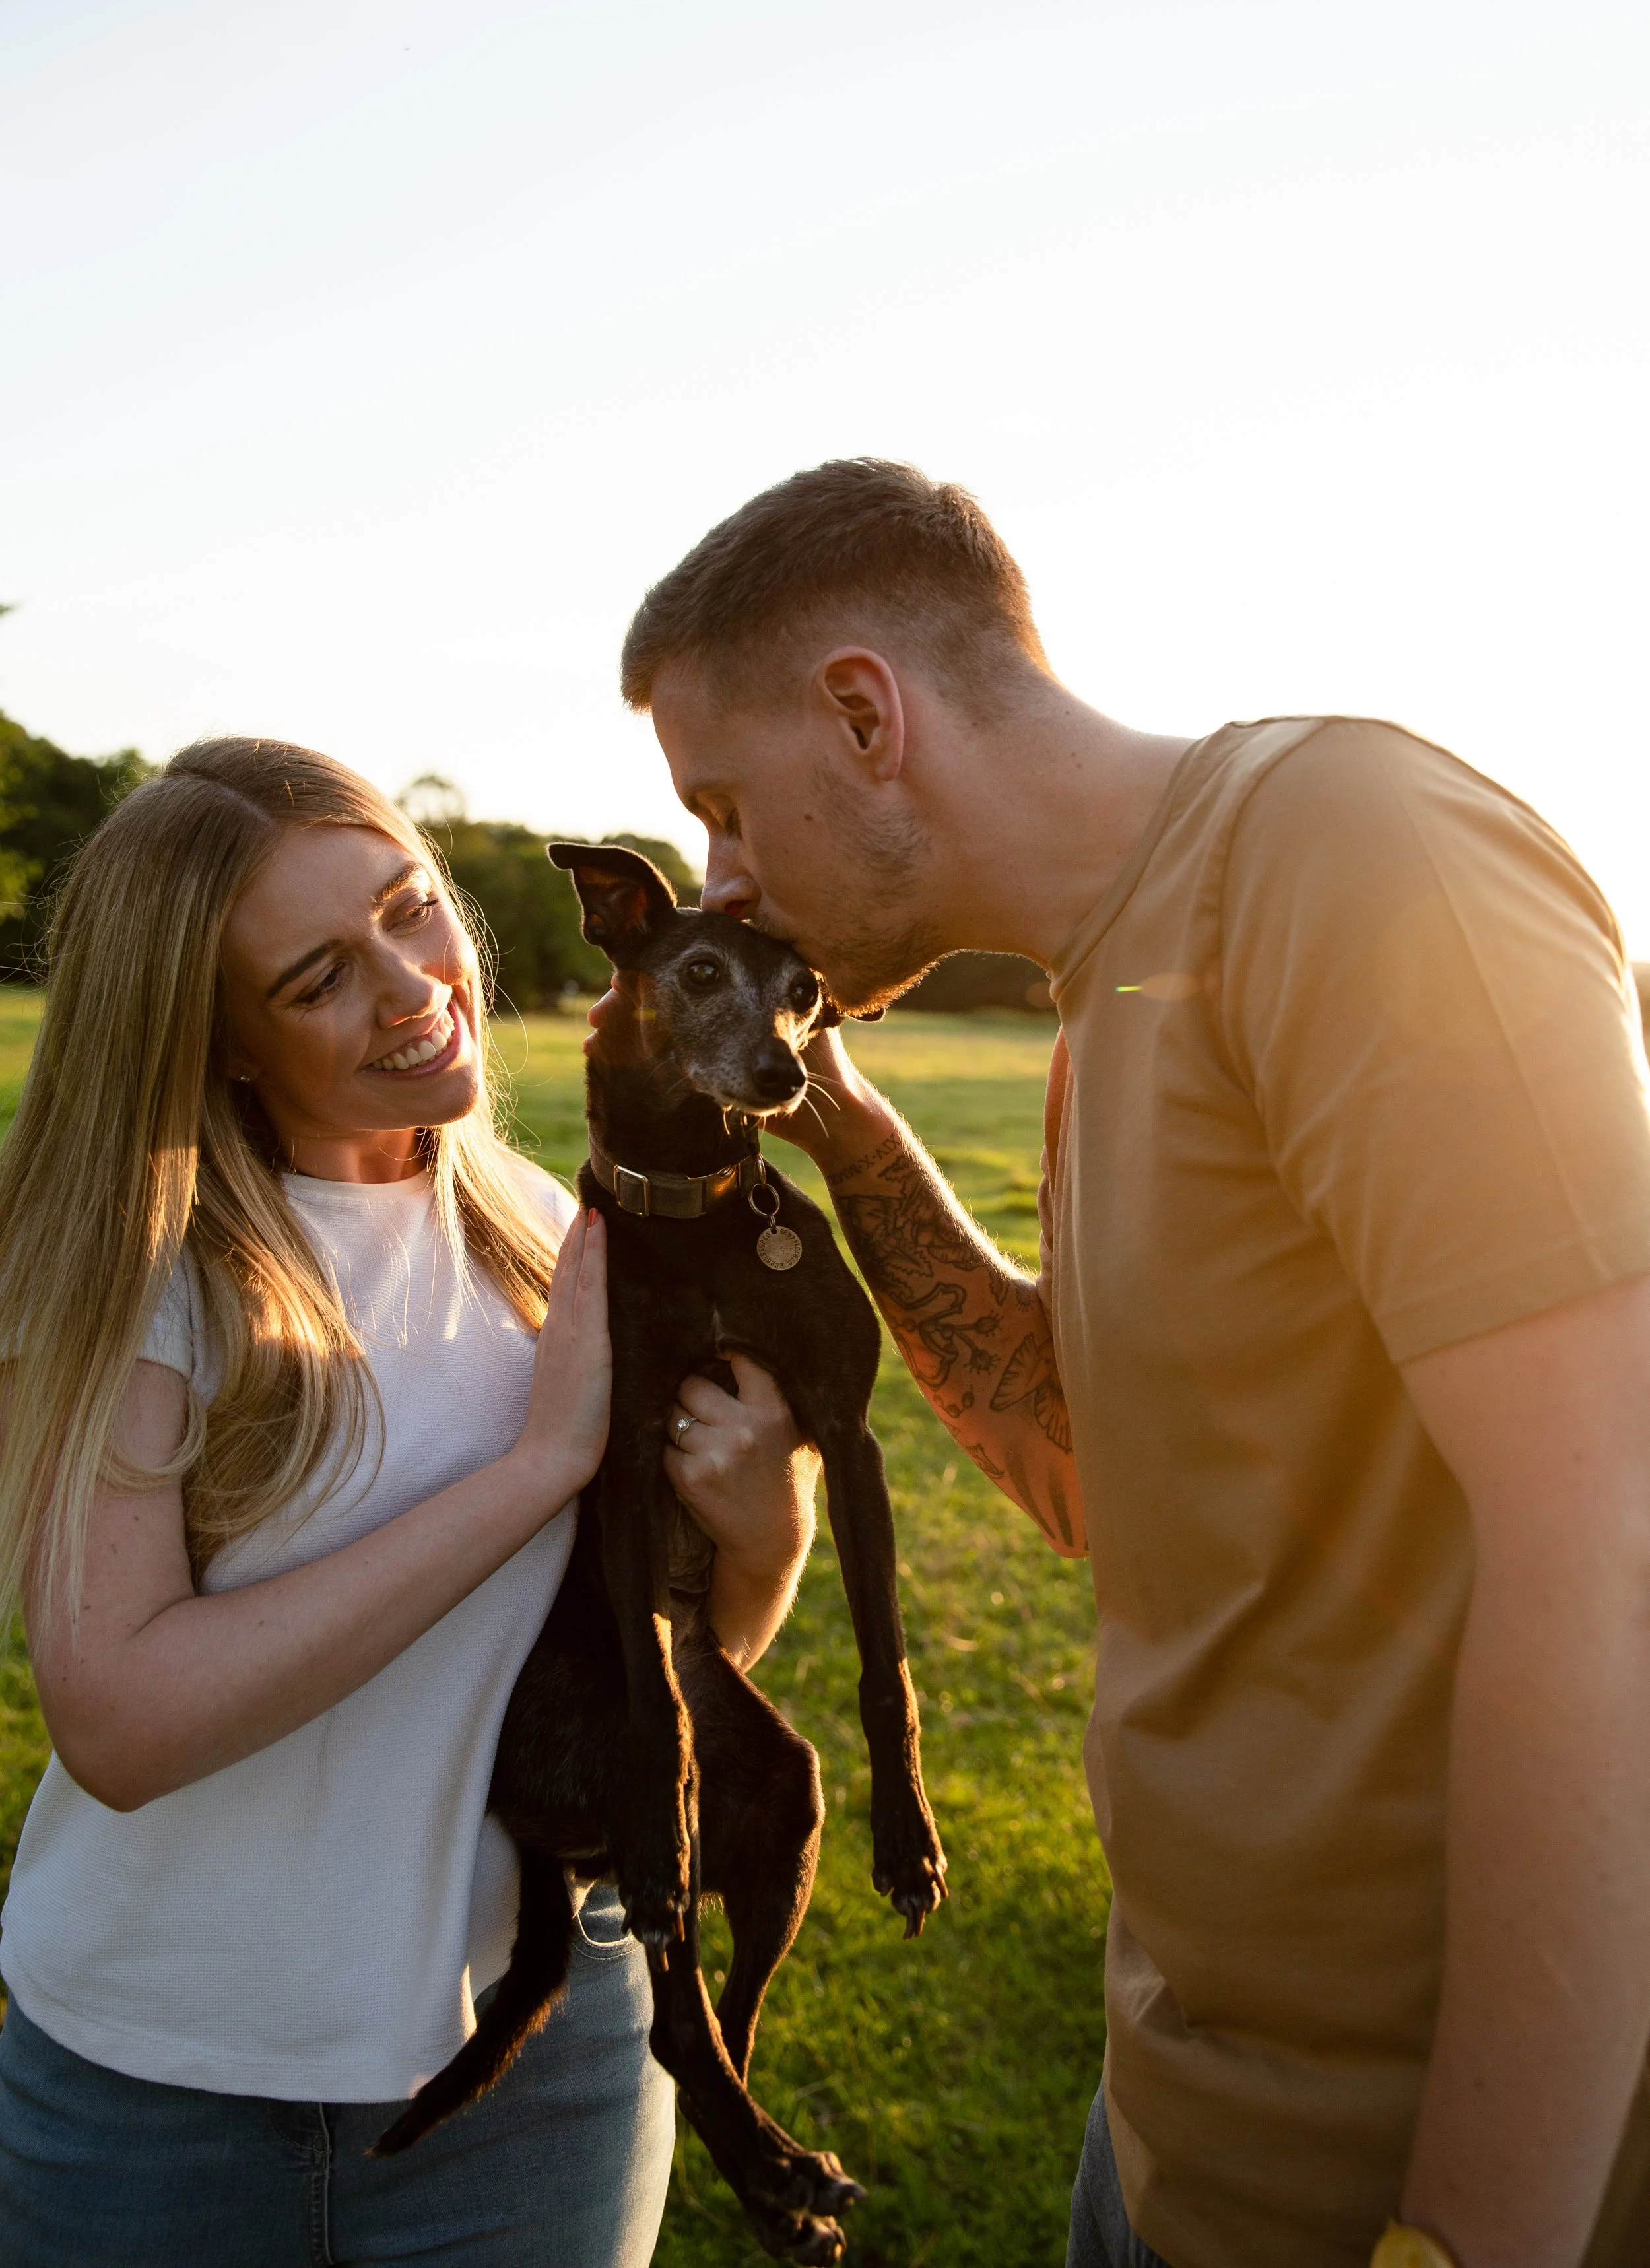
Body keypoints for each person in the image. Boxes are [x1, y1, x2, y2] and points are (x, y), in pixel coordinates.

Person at [611, 458, 1650, 2268]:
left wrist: (1466, 2238)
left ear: (862, 714)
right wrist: (834, 1122)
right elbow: (1086, 1458)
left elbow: (1607, 1561)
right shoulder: (1114, 984)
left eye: (721, 806)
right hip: (1170, 2120)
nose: (724, 881)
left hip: (1389, 2182)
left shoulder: (1346, 851)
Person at [0, 737, 820, 2268]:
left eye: (408, 906)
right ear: (218, 1038)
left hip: (542, 2063)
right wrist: (535, 1470)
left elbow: (658, 1666)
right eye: (317, 978)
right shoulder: (153, 1274)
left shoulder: (555, 1227)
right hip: (166, 2096)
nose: (412, 987)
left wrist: (766, 1531)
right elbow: (117, 1721)